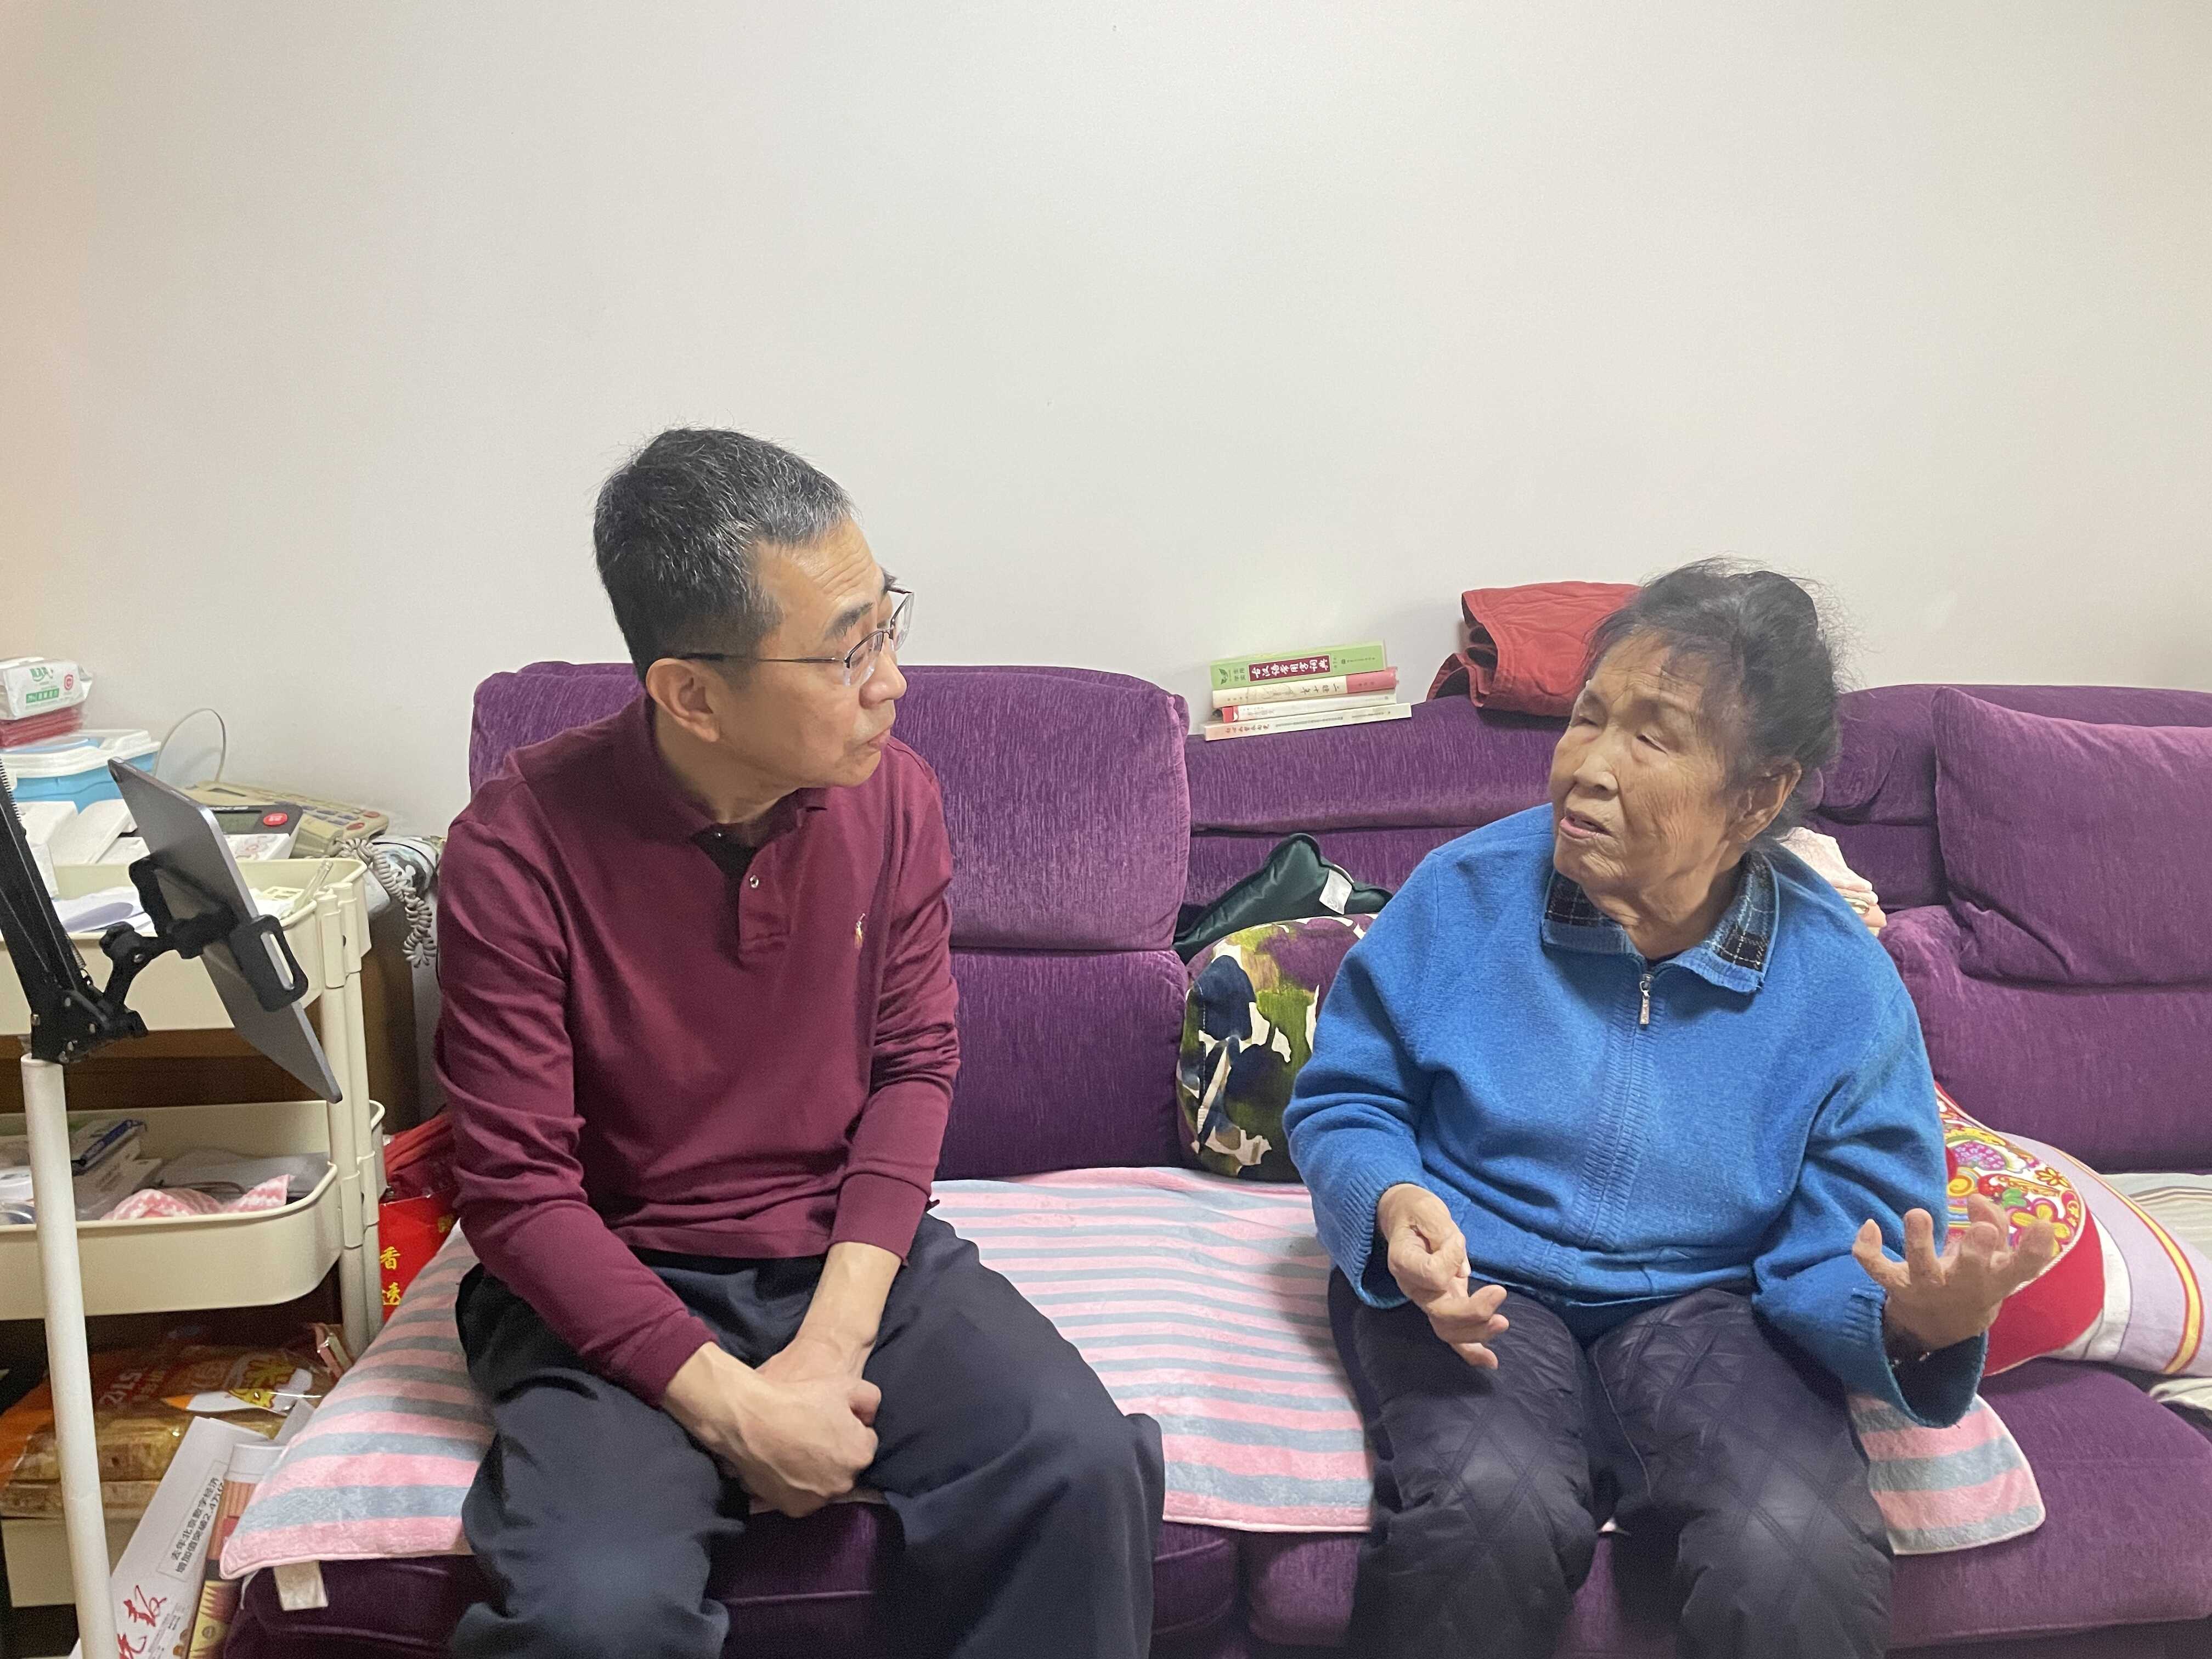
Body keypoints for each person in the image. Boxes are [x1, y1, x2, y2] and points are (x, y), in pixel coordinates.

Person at [437, 428, 1163, 1659]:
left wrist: (828, 1347)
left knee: (1080, 1468)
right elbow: (517, 1193)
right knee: (593, 1615)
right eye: (844, 653)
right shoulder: (513, 852)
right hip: (614, 1272)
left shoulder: (897, 796)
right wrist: (739, 1410)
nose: (893, 682)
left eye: (887, 626)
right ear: (692, 695)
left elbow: (914, 1068)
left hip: (840, 1254)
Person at [1284, 561, 2056, 1659]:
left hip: (1711, 1306)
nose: (1588, 766)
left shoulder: (1840, 984)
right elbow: (1349, 1096)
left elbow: (1852, 1240)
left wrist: (1917, 1319)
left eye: (1650, 736)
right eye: (1587, 717)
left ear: (1756, 796)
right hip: (1479, 1281)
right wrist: (1392, 1201)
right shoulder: (1463, 894)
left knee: (1795, 1544)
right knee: (1489, 1506)